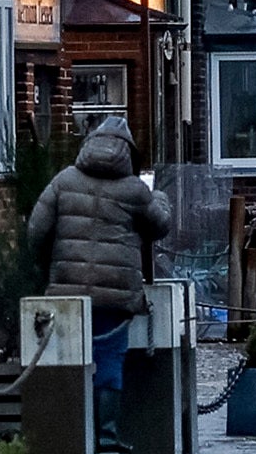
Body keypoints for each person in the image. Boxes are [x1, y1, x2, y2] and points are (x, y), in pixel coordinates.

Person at [25, 113, 172, 322]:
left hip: (67, 295)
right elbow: (160, 227)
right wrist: (159, 197)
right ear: (128, 153)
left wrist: (51, 266)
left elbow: (36, 232)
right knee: (110, 352)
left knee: (74, 352)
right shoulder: (136, 190)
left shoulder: (63, 180)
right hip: (117, 298)